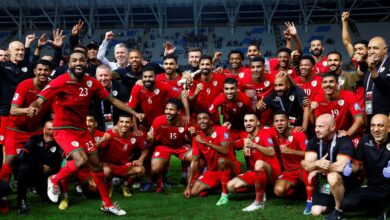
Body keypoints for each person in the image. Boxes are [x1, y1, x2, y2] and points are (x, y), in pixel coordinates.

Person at [29, 51, 144, 216]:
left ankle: (107, 204)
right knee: (81, 160)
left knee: (96, 166)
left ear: (86, 64)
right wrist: (34, 105)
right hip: (63, 129)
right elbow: (40, 98)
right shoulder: (60, 81)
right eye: (74, 60)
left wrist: (133, 112)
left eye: (81, 60)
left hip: (82, 131)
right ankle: (54, 179)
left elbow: (112, 100)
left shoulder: (92, 83)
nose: (78, 63)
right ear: (69, 64)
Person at [0, 59, 51, 213]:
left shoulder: (51, 88)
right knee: (10, 158)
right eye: (40, 70)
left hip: (35, 131)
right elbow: (13, 110)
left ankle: (42, 191)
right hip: (15, 130)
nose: (43, 73)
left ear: (49, 72)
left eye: (46, 70)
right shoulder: (25, 85)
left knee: (39, 162)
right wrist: (27, 110)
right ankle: (2, 198)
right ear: (34, 71)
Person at [302, 114, 357, 220]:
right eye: (316, 126)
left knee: (333, 176)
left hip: (344, 181)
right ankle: (338, 201)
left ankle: (338, 210)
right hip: (325, 183)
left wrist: (317, 170)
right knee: (316, 211)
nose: (317, 130)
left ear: (332, 128)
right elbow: (307, 165)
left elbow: (340, 167)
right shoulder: (314, 141)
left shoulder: (344, 140)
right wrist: (316, 164)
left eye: (321, 126)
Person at [184, 111, 241, 206]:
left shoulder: (222, 130)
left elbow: (225, 150)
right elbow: (194, 161)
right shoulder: (197, 137)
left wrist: (205, 143)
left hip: (230, 167)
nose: (202, 121)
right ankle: (219, 185)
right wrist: (188, 186)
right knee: (193, 192)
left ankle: (224, 194)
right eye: (199, 119)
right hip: (213, 171)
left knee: (221, 161)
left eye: (205, 118)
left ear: (211, 121)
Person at [226, 113, 281, 211]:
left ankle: (259, 202)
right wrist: (225, 131)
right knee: (230, 186)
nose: (248, 123)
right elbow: (232, 144)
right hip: (257, 172)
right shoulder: (246, 138)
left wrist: (254, 145)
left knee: (259, 163)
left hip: (272, 172)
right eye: (245, 121)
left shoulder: (264, 133)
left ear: (258, 122)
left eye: (251, 121)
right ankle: (261, 189)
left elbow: (272, 152)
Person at [341, 114, 390, 219]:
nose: (376, 129)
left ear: (388, 128)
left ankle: (384, 208)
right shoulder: (365, 140)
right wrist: (350, 168)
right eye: (373, 125)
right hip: (373, 187)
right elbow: (357, 164)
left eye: (380, 125)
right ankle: (379, 208)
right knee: (346, 203)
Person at [268, 112, 313, 215]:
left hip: (303, 169)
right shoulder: (274, 133)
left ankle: (310, 199)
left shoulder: (298, 134)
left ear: (288, 122)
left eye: (282, 121)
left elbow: (309, 154)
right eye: (276, 121)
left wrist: (291, 151)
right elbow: (258, 131)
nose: (279, 123)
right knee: (278, 191)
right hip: (289, 172)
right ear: (273, 124)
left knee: (304, 163)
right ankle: (300, 191)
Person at [16, 121, 63, 215]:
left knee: (51, 200)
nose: (51, 132)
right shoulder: (35, 139)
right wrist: (40, 166)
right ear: (43, 130)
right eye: (49, 129)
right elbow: (22, 156)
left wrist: (51, 170)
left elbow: (60, 163)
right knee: (23, 168)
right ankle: (21, 201)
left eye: (54, 129)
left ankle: (43, 192)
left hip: (47, 176)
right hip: (32, 173)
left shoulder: (59, 144)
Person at [147, 98, 192, 192]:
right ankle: (160, 184)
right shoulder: (158, 120)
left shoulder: (185, 121)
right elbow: (150, 138)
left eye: (171, 109)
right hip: (164, 146)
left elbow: (193, 138)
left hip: (181, 147)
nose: (168, 112)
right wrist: (149, 137)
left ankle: (193, 180)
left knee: (197, 158)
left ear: (179, 111)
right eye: (166, 109)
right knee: (155, 169)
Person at [98, 115, 148, 196]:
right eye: (121, 122)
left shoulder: (136, 136)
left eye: (127, 122)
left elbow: (145, 149)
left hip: (125, 166)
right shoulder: (110, 133)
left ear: (132, 124)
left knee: (140, 170)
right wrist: (102, 140)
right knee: (105, 171)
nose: (124, 124)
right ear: (117, 123)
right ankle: (109, 186)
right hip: (109, 166)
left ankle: (125, 185)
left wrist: (140, 160)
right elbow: (97, 149)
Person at [128, 66, 190, 132]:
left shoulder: (162, 85)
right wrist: (135, 129)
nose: (147, 79)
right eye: (145, 77)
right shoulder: (137, 87)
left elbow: (182, 94)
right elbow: (132, 108)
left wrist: (187, 115)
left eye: (150, 76)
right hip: (145, 125)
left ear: (155, 77)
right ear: (142, 78)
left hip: (162, 124)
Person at [311, 72, 364, 145]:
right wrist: (311, 111)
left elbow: (360, 120)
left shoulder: (349, 96)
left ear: (337, 84)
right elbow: (316, 123)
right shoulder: (317, 99)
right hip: (327, 137)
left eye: (331, 82)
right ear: (321, 85)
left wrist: (347, 134)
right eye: (325, 82)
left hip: (348, 135)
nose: (328, 85)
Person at [93, 64, 129, 130]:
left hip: (118, 127)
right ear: (96, 77)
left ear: (111, 76)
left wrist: (119, 124)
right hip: (97, 126)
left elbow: (126, 109)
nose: (103, 78)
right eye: (100, 75)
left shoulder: (121, 88)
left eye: (106, 75)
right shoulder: (92, 89)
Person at [189, 55, 225, 120]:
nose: (205, 67)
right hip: (197, 118)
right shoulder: (192, 80)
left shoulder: (220, 78)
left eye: (207, 64)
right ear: (199, 66)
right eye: (202, 64)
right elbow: (189, 102)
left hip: (214, 118)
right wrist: (196, 93)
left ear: (212, 66)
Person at [364, 36, 390, 122]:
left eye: (375, 48)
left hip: (386, 118)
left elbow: (385, 89)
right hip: (370, 116)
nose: (371, 51)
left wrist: (372, 69)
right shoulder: (369, 66)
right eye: (369, 48)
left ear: (385, 50)